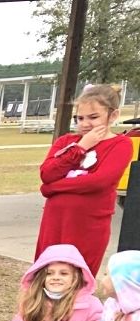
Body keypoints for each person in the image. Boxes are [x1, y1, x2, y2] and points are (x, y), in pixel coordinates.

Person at [35, 84, 133, 276]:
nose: (85, 123)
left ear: (112, 116)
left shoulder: (120, 145)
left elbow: (98, 182)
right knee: (45, 277)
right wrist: (80, 147)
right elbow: (47, 173)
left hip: (88, 226)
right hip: (55, 223)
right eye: (80, 118)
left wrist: (52, 188)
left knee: (76, 280)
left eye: (93, 117)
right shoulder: (66, 142)